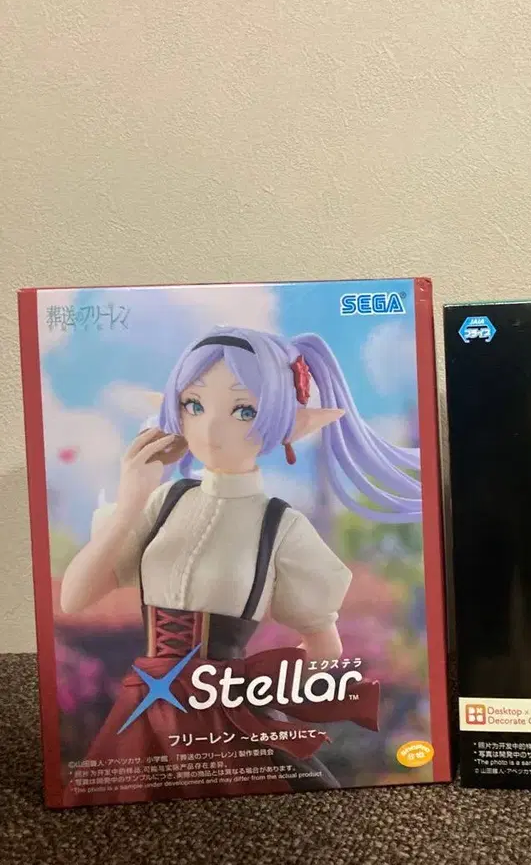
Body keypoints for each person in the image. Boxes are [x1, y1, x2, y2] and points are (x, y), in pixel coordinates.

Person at [59, 326, 420, 804]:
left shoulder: (280, 525)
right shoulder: (164, 502)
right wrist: (130, 503)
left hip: (224, 713)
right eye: (194, 404)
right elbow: (75, 597)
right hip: (142, 708)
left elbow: (323, 644)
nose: (211, 429)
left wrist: (264, 694)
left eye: (244, 410)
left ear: (283, 422)